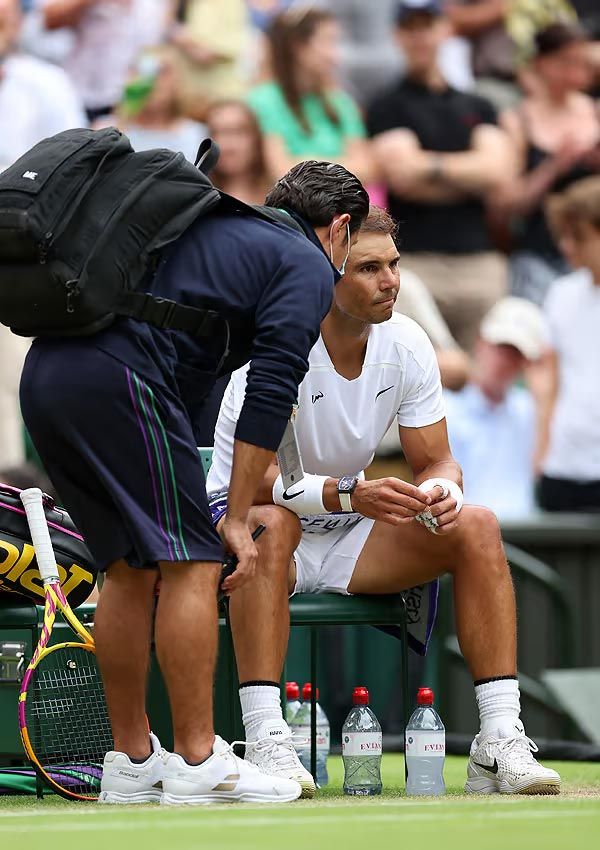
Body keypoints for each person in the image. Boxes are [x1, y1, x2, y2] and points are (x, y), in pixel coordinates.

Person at [19, 160, 370, 805]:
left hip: (47, 377)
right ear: (339, 228)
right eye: (354, 248)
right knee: (193, 561)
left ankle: (131, 763)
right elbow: (269, 392)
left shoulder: (218, 233)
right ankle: (199, 760)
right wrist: (236, 517)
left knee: (126, 567)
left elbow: (198, 372)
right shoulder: (303, 264)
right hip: (118, 376)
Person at [206, 206, 561, 797]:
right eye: (370, 267)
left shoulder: (407, 343)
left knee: (476, 526)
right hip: (252, 528)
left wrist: (440, 493)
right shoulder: (277, 342)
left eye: (393, 265)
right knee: (272, 524)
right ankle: (267, 739)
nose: (390, 280)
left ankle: (499, 738)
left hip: (348, 530)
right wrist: (348, 492)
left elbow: (438, 461)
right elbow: (255, 481)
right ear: (330, 273)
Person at [367, 0, 515, 352]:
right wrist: (468, 173)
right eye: (410, 28)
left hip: (479, 262)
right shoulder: (387, 104)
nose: (420, 37)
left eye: (427, 26)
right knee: (424, 374)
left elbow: (497, 173)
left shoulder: (478, 105)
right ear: (397, 36)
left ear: (445, 29)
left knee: (485, 384)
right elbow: (403, 176)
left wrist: (430, 169)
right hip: (417, 262)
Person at [497, 22, 600, 305]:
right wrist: (554, 165)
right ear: (541, 64)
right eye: (566, 61)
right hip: (538, 254)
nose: (575, 70)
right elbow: (506, 203)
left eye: (580, 61)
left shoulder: (595, 111)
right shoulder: (518, 120)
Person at [247, 6, 376, 183]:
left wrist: (306, 162)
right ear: (298, 46)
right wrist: (342, 166)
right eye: (327, 42)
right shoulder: (263, 101)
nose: (335, 56)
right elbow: (279, 172)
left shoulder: (340, 101)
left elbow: (367, 169)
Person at [443, 297, 547, 518]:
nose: (505, 361)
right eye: (501, 348)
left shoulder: (530, 409)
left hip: (525, 533)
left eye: (516, 354)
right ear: (481, 342)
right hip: (462, 534)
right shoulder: (443, 408)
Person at [536, 176, 600, 511]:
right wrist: (541, 454)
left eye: (578, 237)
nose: (566, 246)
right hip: (563, 469)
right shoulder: (561, 294)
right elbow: (549, 379)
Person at [104, 50, 207, 163]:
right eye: (142, 71)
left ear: (178, 80)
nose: (152, 80)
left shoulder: (198, 136)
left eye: (161, 71)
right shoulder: (106, 132)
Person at [205, 100, 273, 205]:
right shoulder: (198, 201)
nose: (226, 145)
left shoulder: (280, 198)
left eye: (238, 132)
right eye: (216, 132)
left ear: (256, 139)